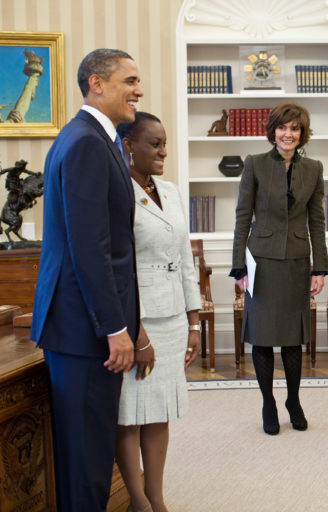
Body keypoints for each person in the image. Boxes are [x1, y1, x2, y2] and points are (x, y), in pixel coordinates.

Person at [29, 48, 143, 511]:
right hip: (83, 330)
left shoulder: (99, 139)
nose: (139, 90)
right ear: (97, 83)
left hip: (86, 327)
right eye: (129, 81)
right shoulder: (84, 143)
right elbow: (89, 248)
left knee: (92, 456)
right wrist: (114, 327)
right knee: (85, 464)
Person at [115, 112, 202, 512]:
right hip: (140, 318)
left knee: (159, 410)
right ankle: (137, 500)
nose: (163, 151)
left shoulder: (171, 191)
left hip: (172, 317)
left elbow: (184, 257)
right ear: (129, 145)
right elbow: (119, 266)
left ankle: (156, 496)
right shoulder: (116, 191)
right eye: (155, 143)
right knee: (130, 414)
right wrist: (137, 333)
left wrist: (195, 319)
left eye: (165, 142)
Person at [230, 102, 328, 435]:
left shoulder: (314, 168)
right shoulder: (255, 164)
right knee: (262, 337)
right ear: (273, 131)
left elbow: (317, 220)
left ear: (302, 134)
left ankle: (294, 400)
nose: (288, 134)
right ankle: (268, 402)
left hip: (298, 262)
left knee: (292, 339)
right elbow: (243, 216)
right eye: (282, 128)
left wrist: (320, 268)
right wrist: (237, 265)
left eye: (295, 129)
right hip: (262, 262)